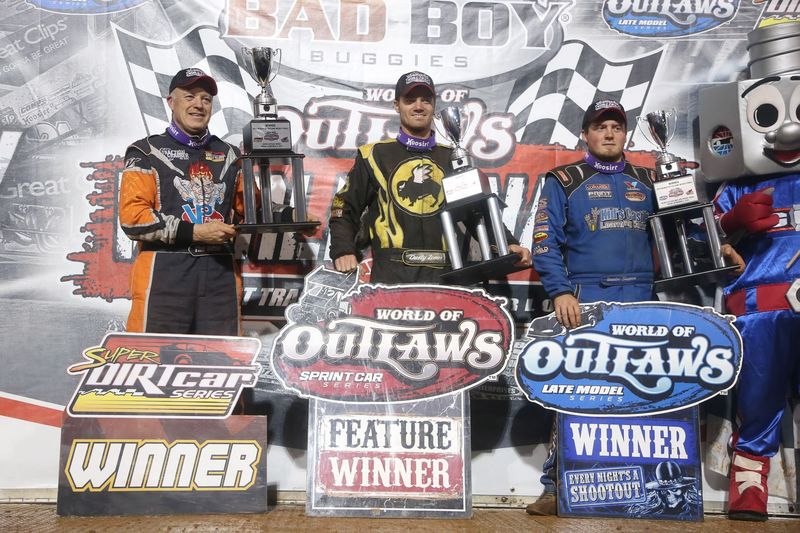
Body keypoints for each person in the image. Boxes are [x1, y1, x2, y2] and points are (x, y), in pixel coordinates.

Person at [119, 68, 288, 335]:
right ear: (171, 102)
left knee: (224, 363)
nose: (198, 104)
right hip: (164, 272)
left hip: (220, 274)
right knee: (154, 360)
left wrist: (286, 216)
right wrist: (196, 232)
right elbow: (132, 218)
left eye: (206, 99)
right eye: (189, 97)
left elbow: (252, 212)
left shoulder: (230, 154)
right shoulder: (145, 151)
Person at [328, 70, 530, 283]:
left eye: (426, 100)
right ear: (397, 105)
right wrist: (342, 249)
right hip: (392, 274)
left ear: (434, 106)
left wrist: (507, 242)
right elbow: (343, 207)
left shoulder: (453, 158)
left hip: (447, 274)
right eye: (410, 100)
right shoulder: (374, 155)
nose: (418, 106)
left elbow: (477, 211)